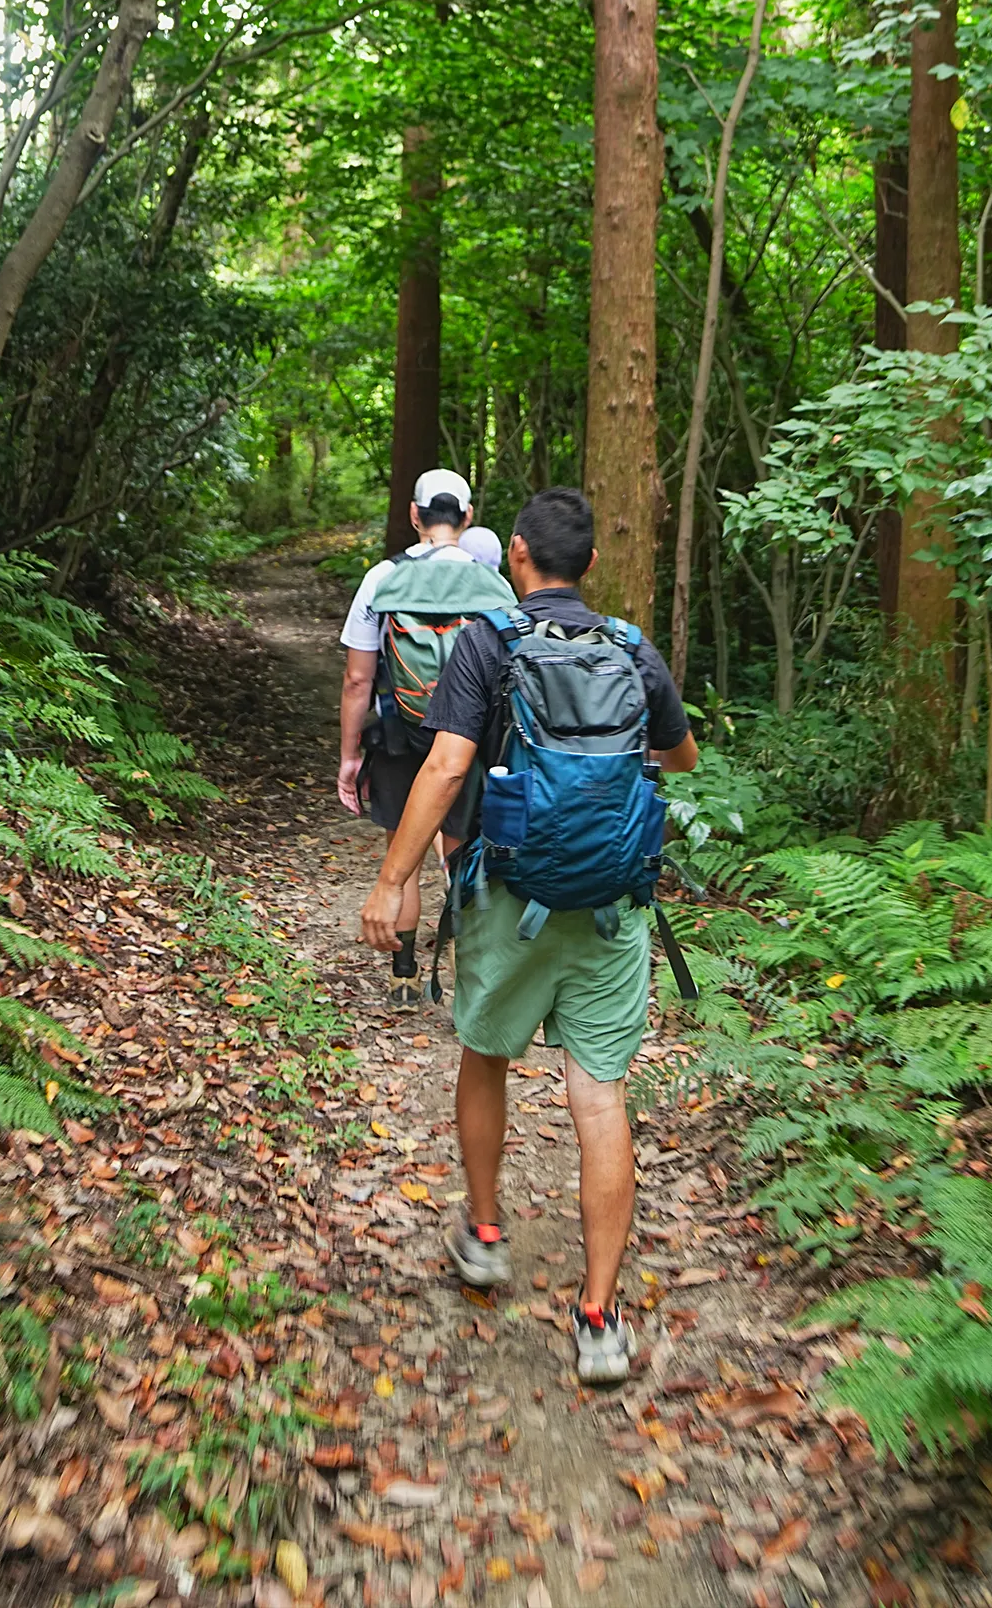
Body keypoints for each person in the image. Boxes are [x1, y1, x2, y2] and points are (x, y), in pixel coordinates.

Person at [359, 486, 698, 1384]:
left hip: (509, 894)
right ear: (590, 564)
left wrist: (394, 882)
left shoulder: (489, 641)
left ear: (513, 555)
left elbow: (446, 764)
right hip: (612, 906)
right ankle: (598, 1317)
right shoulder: (632, 647)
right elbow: (681, 755)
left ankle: (484, 1229)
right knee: (599, 1097)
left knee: (485, 1051)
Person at [338, 468, 488, 1005]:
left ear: (414, 515)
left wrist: (349, 758)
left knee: (403, 848)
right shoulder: (492, 582)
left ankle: (403, 973)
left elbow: (358, 678)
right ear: (468, 518)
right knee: (463, 857)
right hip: (469, 744)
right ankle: (466, 978)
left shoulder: (383, 577)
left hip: (401, 737)